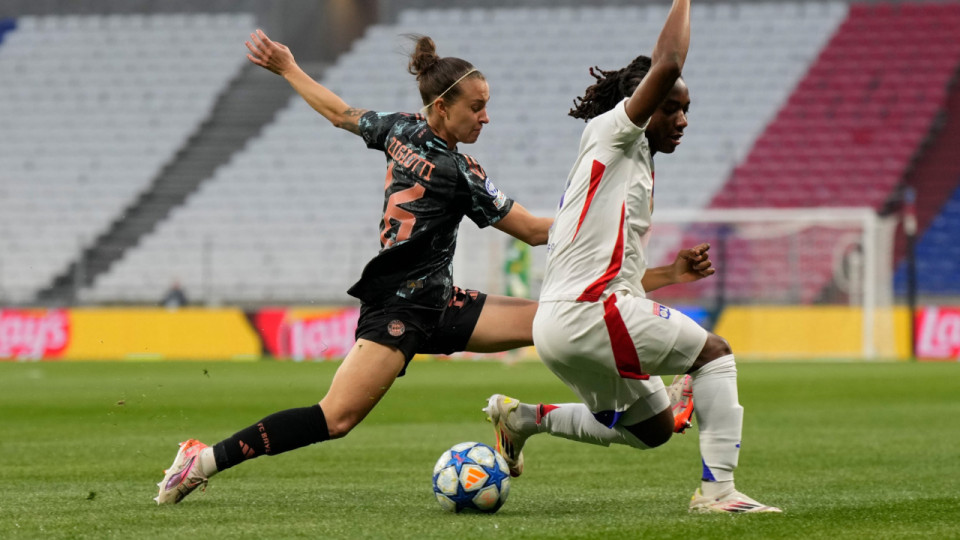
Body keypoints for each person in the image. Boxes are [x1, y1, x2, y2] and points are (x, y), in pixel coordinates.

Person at [154, 29, 554, 505]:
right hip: (398, 310)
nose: (486, 117)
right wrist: (607, 218)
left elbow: (339, 113)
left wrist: (289, 68)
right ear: (443, 107)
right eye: (477, 107)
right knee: (335, 418)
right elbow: (534, 231)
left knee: (553, 323)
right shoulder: (460, 173)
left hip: (439, 301)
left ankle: (518, 422)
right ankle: (201, 460)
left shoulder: (400, 128)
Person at [483, 0, 782, 514]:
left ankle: (521, 418)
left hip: (561, 323)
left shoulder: (627, 164)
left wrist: (671, 274)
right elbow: (668, 61)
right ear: (641, 105)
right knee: (714, 353)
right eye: (670, 108)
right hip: (588, 315)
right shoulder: (614, 132)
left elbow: (613, 274)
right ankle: (718, 493)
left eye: (687, 109)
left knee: (654, 429)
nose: (681, 120)